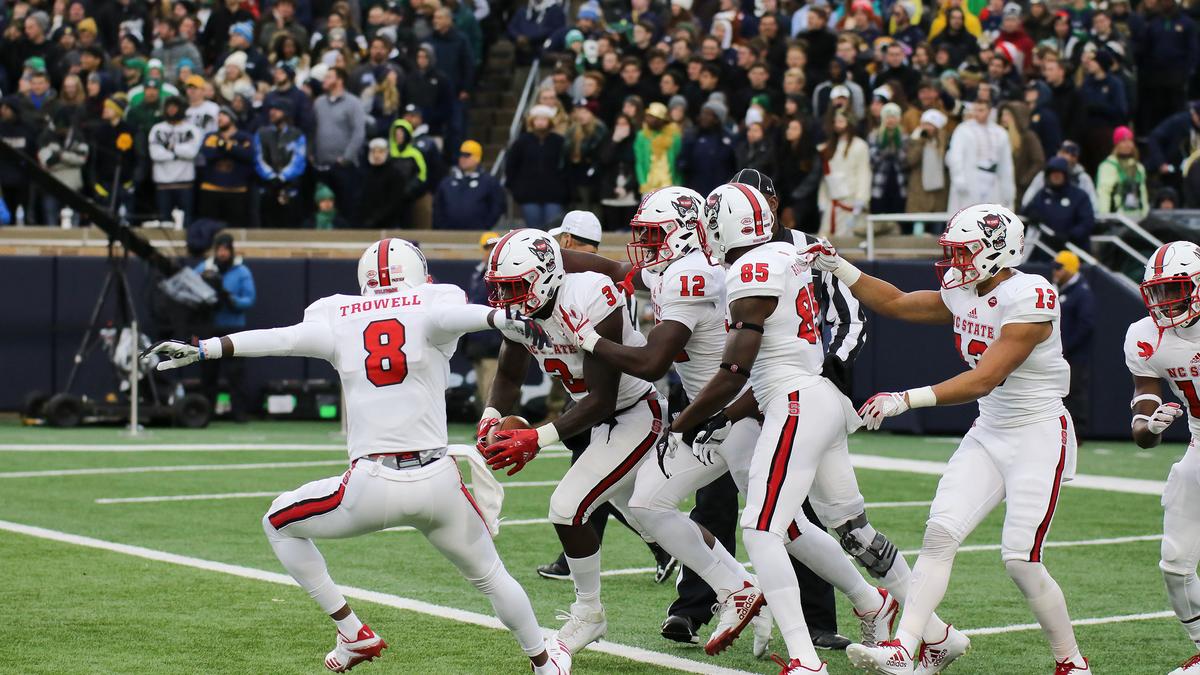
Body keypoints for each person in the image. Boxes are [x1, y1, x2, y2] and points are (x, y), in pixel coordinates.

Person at [143, 238, 570, 675]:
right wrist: (502, 316)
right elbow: (463, 315)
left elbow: (279, 340)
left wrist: (204, 349)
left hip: (374, 483)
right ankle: (543, 661)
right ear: (418, 274)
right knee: (492, 577)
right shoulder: (432, 301)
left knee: (278, 524)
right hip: (440, 480)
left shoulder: (337, 315)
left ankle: (352, 632)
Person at [667, 184, 964, 675]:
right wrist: (718, 418)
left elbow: (735, 369)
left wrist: (683, 422)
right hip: (816, 398)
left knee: (762, 529)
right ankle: (937, 635)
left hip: (797, 403)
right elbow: (759, 372)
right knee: (852, 532)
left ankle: (805, 660)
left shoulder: (751, 268)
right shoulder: (785, 252)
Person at [815, 204, 1091, 675]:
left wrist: (908, 398)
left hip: (1040, 433)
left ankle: (1071, 662)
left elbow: (985, 378)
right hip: (990, 430)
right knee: (940, 534)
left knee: (1021, 561)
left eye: (965, 252)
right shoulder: (964, 290)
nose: (956, 261)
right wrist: (840, 266)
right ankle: (909, 647)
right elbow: (897, 302)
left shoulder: (1032, 294)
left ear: (998, 249)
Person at [479, 229, 666, 655]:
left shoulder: (588, 296)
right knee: (657, 517)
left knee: (568, 506)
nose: (507, 299)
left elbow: (602, 398)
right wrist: (491, 416)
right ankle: (738, 586)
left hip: (636, 411)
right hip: (599, 418)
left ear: (544, 276)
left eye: (514, 287)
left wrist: (535, 438)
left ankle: (589, 613)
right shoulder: (522, 311)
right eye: (501, 289)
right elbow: (508, 375)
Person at [1123, 241, 1200, 675]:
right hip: (1198, 443)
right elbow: (1142, 418)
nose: (1165, 302)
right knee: (1175, 562)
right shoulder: (1145, 336)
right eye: (1158, 292)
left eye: (1175, 290)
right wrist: (1150, 427)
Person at [194, 234, 256, 422]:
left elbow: (249, 299)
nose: (222, 253)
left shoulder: (242, 271)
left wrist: (230, 299)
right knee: (208, 373)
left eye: (225, 249)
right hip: (210, 327)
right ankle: (206, 412)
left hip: (233, 328)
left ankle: (239, 412)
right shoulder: (204, 268)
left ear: (231, 250)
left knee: (235, 373)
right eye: (219, 249)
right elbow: (190, 288)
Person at [312, 67, 366, 220]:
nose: (325, 80)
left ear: (339, 80)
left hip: (344, 167)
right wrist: (312, 153)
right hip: (321, 166)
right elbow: (313, 129)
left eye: (329, 77)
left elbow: (358, 133)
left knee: (346, 208)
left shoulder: (353, 103)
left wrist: (346, 158)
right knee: (321, 207)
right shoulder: (319, 103)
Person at [1053, 251, 1094, 443]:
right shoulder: (1061, 289)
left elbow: (1086, 324)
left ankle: (1076, 433)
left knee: (1074, 392)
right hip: (1058, 354)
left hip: (1074, 355)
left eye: (1059, 268)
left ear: (1069, 269)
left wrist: (1066, 347)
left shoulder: (1081, 292)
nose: (1055, 272)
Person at [505, 105, 568, 230]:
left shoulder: (559, 142)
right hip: (528, 195)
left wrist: (565, 191)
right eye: (537, 118)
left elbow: (567, 168)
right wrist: (516, 189)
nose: (540, 122)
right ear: (532, 121)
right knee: (534, 232)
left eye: (544, 119)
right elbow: (511, 166)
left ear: (550, 121)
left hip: (554, 195)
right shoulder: (521, 142)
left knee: (554, 230)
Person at [946, 100, 1015, 212]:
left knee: (991, 214)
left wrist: (1008, 189)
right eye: (975, 110)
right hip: (972, 177)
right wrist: (958, 178)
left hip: (993, 178)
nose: (977, 113)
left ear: (989, 111)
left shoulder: (1000, 132)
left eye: (981, 110)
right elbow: (955, 156)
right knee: (968, 213)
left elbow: (1006, 163)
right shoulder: (963, 129)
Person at [148, 95, 202, 227]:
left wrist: (172, 148)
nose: (171, 110)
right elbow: (155, 154)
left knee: (187, 223)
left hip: (185, 183)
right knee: (165, 223)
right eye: (169, 107)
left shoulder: (192, 129)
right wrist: (176, 154)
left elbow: (192, 152)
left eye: (175, 107)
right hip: (163, 183)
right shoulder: (157, 129)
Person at [254, 98, 307, 228]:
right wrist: (271, 176)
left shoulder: (297, 134)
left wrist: (283, 177)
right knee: (267, 222)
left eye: (277, 110)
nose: (272, 112)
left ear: (286, 113)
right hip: (267, 185)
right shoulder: (262, 133)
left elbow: (299, 160)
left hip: (289, 185)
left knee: (289, 222)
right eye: (271, 110)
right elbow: (258, 157)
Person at [198, 106, 255, 227]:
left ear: (232, 118)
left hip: (236, 189)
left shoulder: (245, 137)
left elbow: (248, 155)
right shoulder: (211, 136)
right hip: (211, 189)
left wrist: (227, 146)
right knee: (209, 227)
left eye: (224, 115)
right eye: (218, 115)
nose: (219, 118)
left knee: (236, 227)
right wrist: (229, 149)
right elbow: (208, 154)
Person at [818, 110, 871, 236]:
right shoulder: (828, 147)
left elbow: (864, 173)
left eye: (841, 121)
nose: (837, 124)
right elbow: (825, 178)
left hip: (851, 202)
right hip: (832, 202)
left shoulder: (860, 146)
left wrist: (861, 199)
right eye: (836, 121)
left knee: (848, 241)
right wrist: (822, 200)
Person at [433, 140, 507, 230]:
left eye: (467, 155)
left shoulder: (489, 182)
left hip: (477, 233)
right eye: (461, 154)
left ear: (477, 158)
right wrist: (442, 226)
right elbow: (438, 206)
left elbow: (497, 205)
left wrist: (485, 225)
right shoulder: (447, 182)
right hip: (449, 233)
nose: (462, 158)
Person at [1025, 156, 1094, 250]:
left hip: (1072, 249)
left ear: (1065, 175)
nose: (1056, 176)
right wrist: (1031, 212)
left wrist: (1069, 236)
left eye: (1059, 173)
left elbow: (1087, 222)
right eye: (1053, 173)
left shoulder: (1079, 196)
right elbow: (1027, 210)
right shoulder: (1042, 195)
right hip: (1045, 249)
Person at [678, 100, 737, 196]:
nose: (703, 117)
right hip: (694, 191)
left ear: (717, 119)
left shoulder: (728, 139)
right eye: (703, 113)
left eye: (708, 114)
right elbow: (682, 162)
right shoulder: (692, 135)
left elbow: (734, 165)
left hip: (720, 193)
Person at [1022, 140, 1099, 213]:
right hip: (1046, 222)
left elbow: (1094, 207)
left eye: (1073, 155)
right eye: (1065, 152)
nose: (1068, 157)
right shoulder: (1044, 175)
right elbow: (1027, 201)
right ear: (1058, 153)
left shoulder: (1082, 178)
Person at [1097, 125, 1149, 221]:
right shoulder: (1108, 166)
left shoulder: (1138, 167)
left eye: (1130, 141)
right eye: (1123, 141)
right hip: (1117, 218)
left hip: (1138, 218)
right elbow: (1104, 193)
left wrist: (1145, 216)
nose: (1127, 144)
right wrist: (1104, 217)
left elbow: (1143, 193)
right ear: (1117, 144)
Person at [905, 108, 950, 214]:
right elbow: (911, 161)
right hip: (919, 191)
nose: (926, 127)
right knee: (918, 226)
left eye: (930, 124)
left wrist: (941, 141)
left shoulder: (944, 142)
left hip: (939, 192)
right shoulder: (914, 140)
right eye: (924, 124)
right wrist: (919, 142)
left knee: (938, 226)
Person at [634, 102, 683, 194]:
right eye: (648, 116)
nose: (648, 119)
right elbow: (639, 162)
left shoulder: (674, 135)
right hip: (649, 185)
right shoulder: (642, 136)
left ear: (661, 120)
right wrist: (643, 182)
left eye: (652, 117)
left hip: (669, 184)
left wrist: (678, 182)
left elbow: (678, 159)